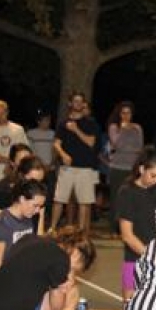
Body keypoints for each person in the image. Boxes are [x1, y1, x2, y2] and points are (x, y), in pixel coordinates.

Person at [115, 147, 156, 300]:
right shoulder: (127, 192)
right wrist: (150, 256)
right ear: (141, 169)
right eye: (153, 175)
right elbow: (127, 236)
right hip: (132, 262)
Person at [50, 92, 100, 233]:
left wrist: (76, 129)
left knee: (84, 202)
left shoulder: (90, 123)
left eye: (80, 102)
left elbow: (91, 142)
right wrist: (62, 153)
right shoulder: (63, 123)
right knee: (59, 199)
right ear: (70, 103)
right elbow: (57, 143)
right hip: (67, 168)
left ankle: (83, 231)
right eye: (75, 101)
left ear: (84, 104)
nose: (78, 104)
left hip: (85, 168)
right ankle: (52, 228)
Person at [105, 101, 144, 237]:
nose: (126, 115)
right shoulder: (114, 127)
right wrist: (123, 129)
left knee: (131, 198)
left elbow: (139, 147)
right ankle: (113, 229)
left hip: (132, 168)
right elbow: (116, 144)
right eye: (123, 113)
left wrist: (129, 148)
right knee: (116, 198)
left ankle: (129, 229)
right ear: (119, 114)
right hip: (118, 167)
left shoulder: (137, 128)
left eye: (129, 113)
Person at [0, 99, 29, 187]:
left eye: (3, 113)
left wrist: (16, 165)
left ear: (7, 112)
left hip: (17, 175)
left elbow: (25, 150)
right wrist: (9, 161)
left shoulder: (18, 129)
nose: (0, 116)